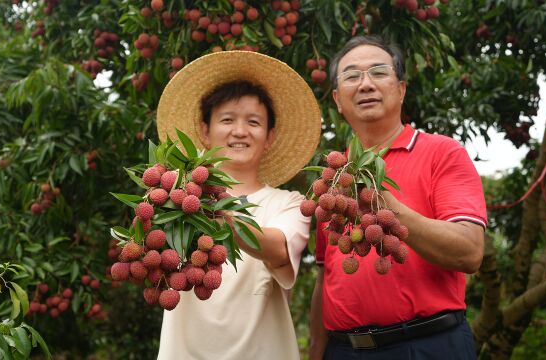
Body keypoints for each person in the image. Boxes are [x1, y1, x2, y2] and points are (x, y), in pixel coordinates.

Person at [309, 35, 487, 359]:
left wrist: (385, 206)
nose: (365, 84)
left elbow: (470, 251)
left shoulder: (442, 153)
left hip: (428, 345)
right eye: (351, 76)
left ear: (401, 89)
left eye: (378, 72)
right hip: (342, 351)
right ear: (336, 98)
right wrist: (316, 351)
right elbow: (326, 276)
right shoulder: (333, 178)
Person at [155, 51, 321, 360]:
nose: (240, 131)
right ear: (205, 131)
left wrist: (218, 210)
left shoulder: (289, 203)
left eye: (253, 122)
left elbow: (278, 249)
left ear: (269, 136)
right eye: (227, 120)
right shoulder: (173, 198)